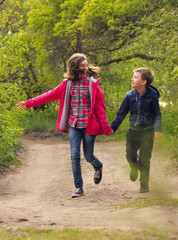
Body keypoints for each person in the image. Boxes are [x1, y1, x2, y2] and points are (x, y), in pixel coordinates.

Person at [17, 53, 114, 198]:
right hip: (73, 125)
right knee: (74, 155)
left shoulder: (93, 85)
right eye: (82, 65)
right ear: (74, 67)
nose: (85, 67)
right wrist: (28, 103)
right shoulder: (66, 85)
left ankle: (98, 166)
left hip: (88, 127)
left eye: (86, 65)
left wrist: (106, 128)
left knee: (88, 156)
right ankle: (79, 188)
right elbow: (47, 96)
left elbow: (100, 109)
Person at [110, 67, 162, 193]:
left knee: (145, 159)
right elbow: (121, 114)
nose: (132, 79)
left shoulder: (152, 96)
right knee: (130, 155)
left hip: (147, 132)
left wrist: (158, 129)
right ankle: (134, 166)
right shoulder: (129, 96)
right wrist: (112, 128)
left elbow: (157, 114)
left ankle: (144, 184)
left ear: (143, 82)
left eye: (135, 77)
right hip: (133, 131)